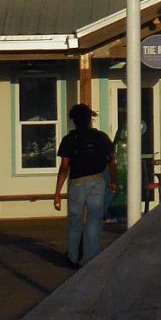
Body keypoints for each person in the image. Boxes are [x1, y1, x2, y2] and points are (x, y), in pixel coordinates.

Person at [52, 103, 113, 267]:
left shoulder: (69, 139)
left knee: (75, 220)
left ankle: (72, 256)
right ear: (90, 119)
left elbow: (64, 167)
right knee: (94, 219)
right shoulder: (101, 137)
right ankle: (91, 256)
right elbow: (111, 161)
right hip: (97, 180)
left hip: (77, 182)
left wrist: (57, 192)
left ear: (73, 120)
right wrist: (113, 181)